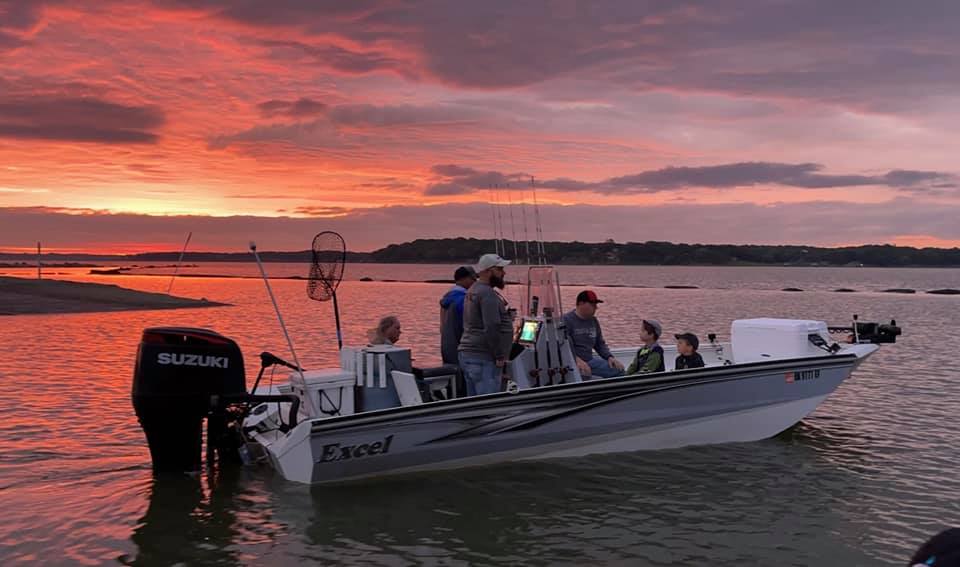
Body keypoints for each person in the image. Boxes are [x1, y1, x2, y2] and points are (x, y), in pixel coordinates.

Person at [458, 253, 514, 396]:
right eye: (499, 269)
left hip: (469, 355)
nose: (504, 273)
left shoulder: (473, 290)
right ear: (488, 271)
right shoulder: (487, 294)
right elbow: (492, 326)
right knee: (488, 402)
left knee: (475, 402)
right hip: (483, 357)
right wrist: (499, 355)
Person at [563, 290, 624, 379]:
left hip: (589, 361)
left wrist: (609, 357)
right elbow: (563, 347)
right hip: (572, 363)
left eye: (596, 305)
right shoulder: (566, 320)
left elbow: (599, 344)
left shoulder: (593, 321)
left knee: (619, 370)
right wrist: (576, 360)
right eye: (592, 304)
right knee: (593, 377)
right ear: (581, 303)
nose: (595, 308)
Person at [439, 266, 477, 365]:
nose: (475, 282)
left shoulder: (447, 298)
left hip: (447, 349)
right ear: (465, 278)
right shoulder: (463, 300)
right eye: (473, 279)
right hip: (462, 352)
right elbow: (470, 327)